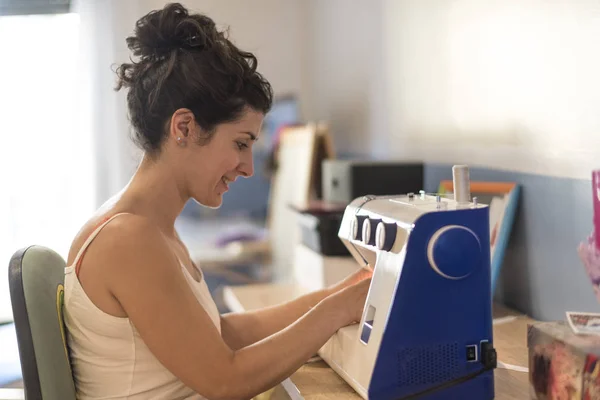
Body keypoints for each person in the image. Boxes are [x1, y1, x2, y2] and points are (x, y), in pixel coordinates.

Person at [63, 3, 372, 400]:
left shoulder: (148, 227)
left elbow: (220, 335)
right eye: (240, 144)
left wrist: (340, 294)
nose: (247, 167)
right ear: (185, 127)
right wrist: (335, 311)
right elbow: (226, 380)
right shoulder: (128, 239)